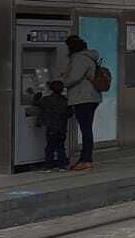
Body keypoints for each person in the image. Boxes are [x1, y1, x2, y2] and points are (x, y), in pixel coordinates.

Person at [58, 35, 103, 171]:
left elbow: (74, 77)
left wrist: (61, 82)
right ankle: (85, 158)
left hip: (83, 98)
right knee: (87, 128)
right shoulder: (89, 57)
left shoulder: (79, 58)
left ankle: (86, 160)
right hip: (91, 97)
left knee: (86, 129)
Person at [31, 79, 71, 170]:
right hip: (62, 128)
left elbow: (35, 103)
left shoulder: (46, 100)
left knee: (50, 147)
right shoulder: (65, 100)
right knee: (61, 147)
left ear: (50, 88)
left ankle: (48, 165)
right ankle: (62, 166)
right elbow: (69, 113)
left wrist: (36, 95)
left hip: (51, 128)